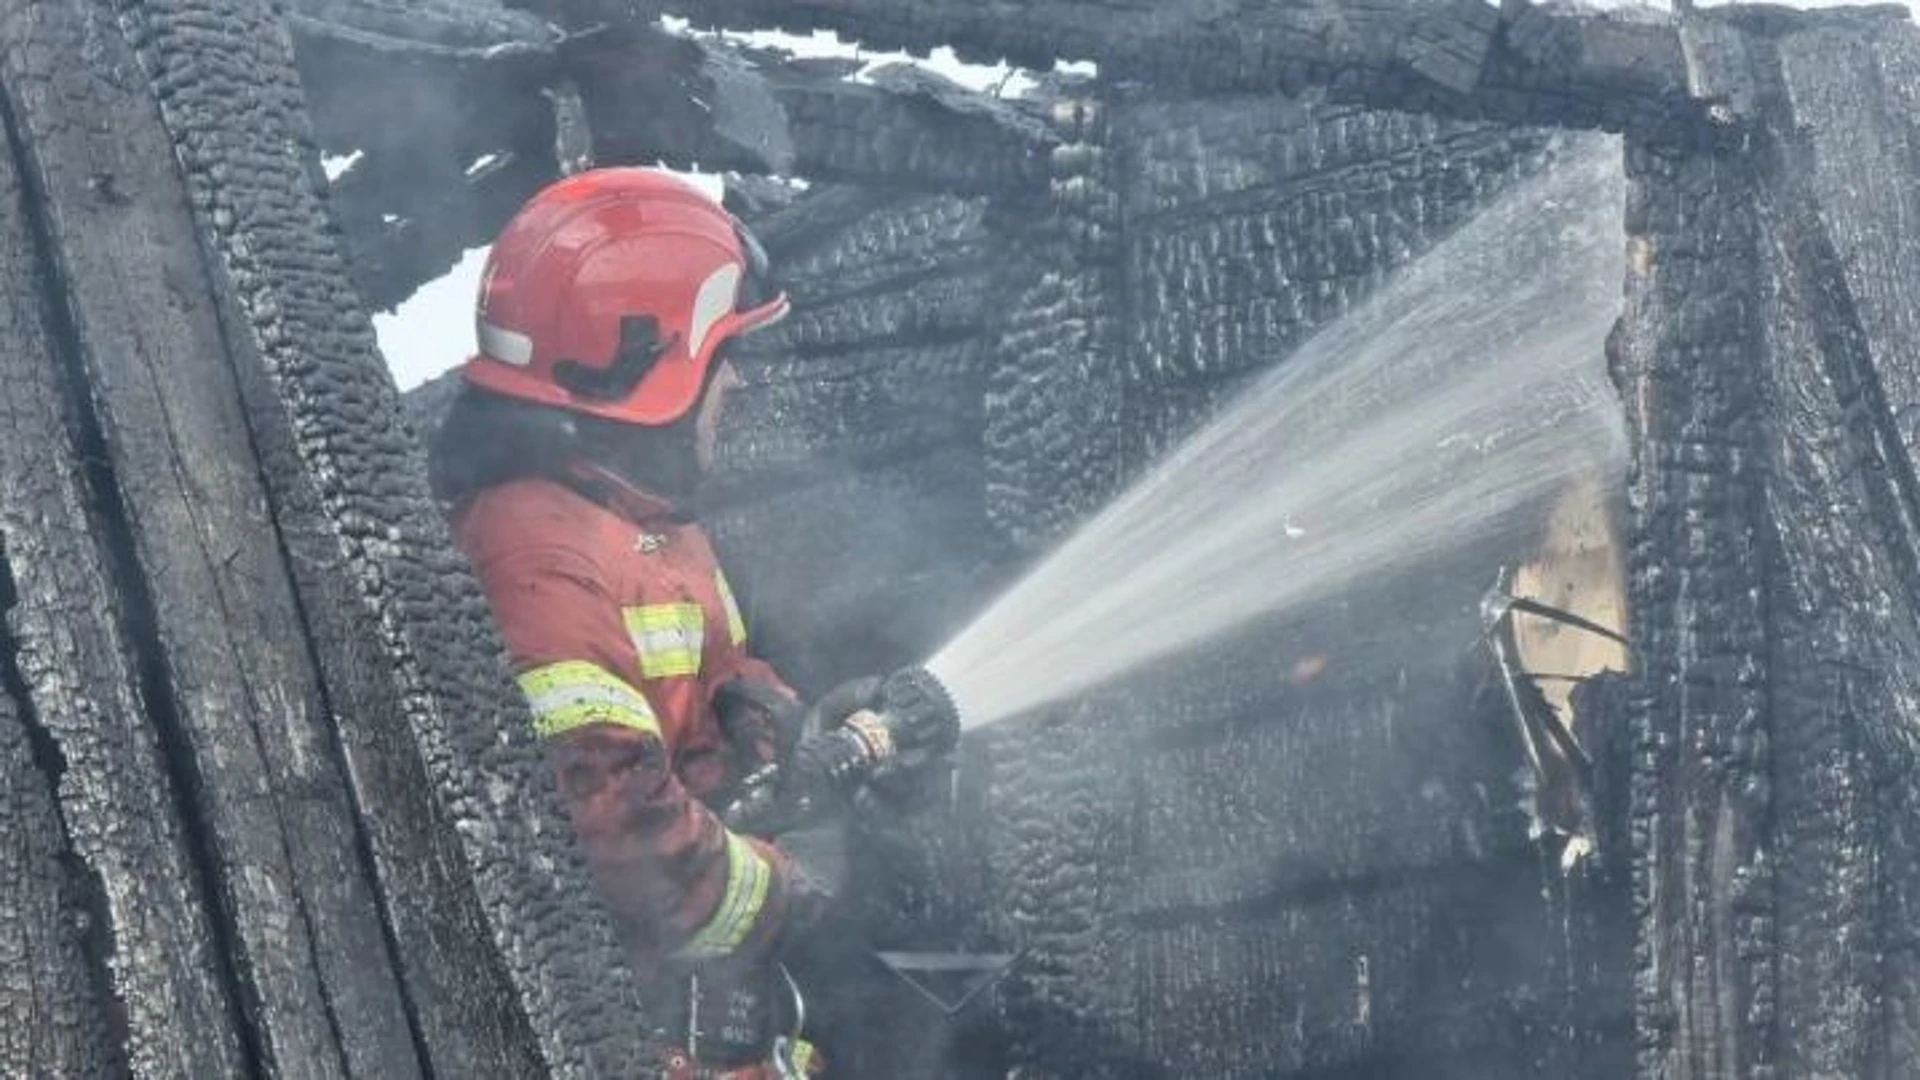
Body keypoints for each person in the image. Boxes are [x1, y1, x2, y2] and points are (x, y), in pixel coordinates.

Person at [429, 167, 856, 1078]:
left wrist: (765, 712)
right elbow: (609, 826)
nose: (736, 382)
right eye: (723, 355)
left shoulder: (654, 524)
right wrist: (797, 899)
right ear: (656, 359)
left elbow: (715, 665)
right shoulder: (534, 553)